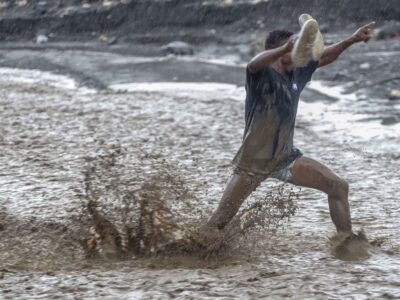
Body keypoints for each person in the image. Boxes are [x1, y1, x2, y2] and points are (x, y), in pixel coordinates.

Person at [205, 19, 376, 237]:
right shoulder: (261, 74)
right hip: (253, 163)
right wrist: (285, 48)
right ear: (279, 51)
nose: (301, 53)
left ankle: (347, 241)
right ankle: (184, 254)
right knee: (217, 223)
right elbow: (252, 64)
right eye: (295, 48)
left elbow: (324, 56)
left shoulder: (297, 72)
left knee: (338, 186)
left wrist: (352, 39)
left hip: (286, 158)